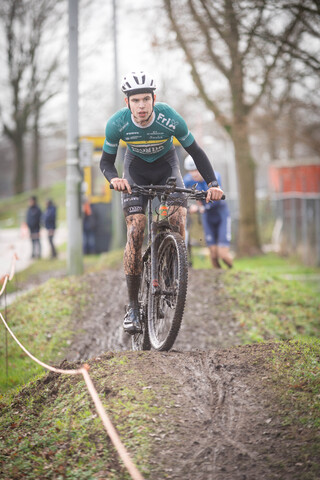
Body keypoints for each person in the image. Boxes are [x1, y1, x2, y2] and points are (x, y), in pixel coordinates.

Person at [100, 71, 224, 334]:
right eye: (136, 101)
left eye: (146, 99)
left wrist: (213, 184)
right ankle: (133, 306)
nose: (142, 106)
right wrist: (114, 180)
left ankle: (171, 269)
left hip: (167, 168)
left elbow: (196, 151)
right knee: (136, 230)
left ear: (154, 99)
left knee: (177, 218)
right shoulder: (117, 124)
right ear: (127, 103)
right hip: (134, 173)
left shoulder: (170, 118)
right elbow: (106, 162)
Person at [183, 155, 233, 269]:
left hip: (221, 214)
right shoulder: (187, 180)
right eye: (191, 171)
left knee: (223, 254)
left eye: (196, 170)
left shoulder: (214, 177)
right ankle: (219, 279)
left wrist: (202, 208)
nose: (194, 174)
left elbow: (216, 201)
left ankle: (231, 272)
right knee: (213, 255)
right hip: (207, 217)